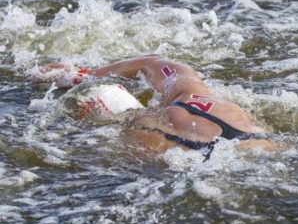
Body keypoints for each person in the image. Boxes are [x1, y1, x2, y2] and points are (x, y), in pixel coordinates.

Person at [31, 55, 280, 157]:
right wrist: (84, 74)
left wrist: (77, 79)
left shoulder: (142, 127)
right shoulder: (197, 97)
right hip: (258, 143)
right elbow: (156, 63)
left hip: (185, 156)